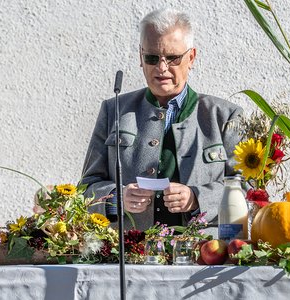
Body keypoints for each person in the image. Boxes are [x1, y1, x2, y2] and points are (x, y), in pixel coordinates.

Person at [80, 8, 243, 236]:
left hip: (204, 256)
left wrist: (197, 198)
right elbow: (85, 188)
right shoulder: (114, 110)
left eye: (173, 58)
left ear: (191, 58)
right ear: (141, 58)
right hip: (129, 257)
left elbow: (249, 190)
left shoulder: (224, 116)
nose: (162, 68)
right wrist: (117, 197)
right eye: (152, 58)